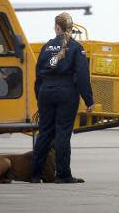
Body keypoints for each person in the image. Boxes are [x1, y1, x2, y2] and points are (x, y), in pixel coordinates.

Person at [31, 12, 94, 183]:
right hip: (66, 92)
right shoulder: (76, 47)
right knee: (62, 133)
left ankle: (35, 174)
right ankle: (63, 174)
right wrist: (88, 100)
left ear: (57, 27)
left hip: (46, 91)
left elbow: (38, 75)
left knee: (44, 133)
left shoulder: (46, 47)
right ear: (70, 28)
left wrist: (40, 97)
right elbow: (82, 75)